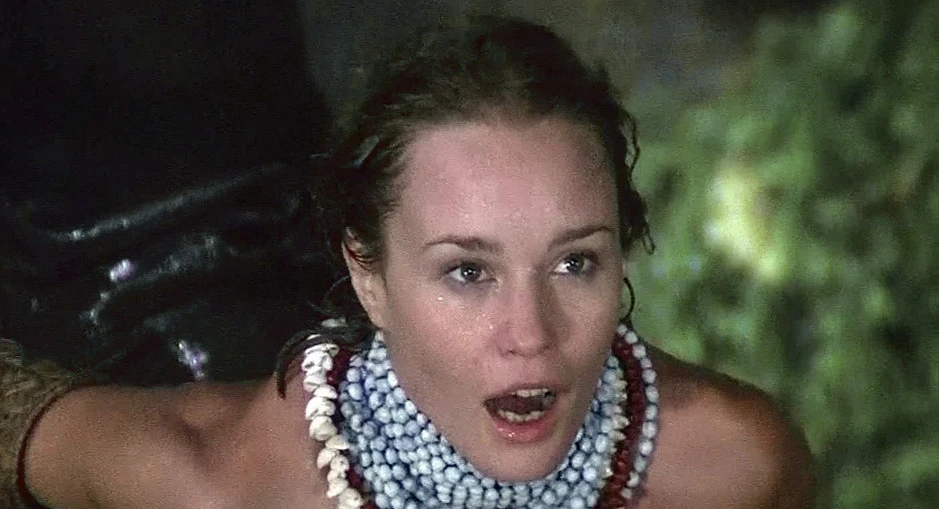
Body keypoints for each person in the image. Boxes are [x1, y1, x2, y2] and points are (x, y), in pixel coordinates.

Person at [2, 16, 813, 509]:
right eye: (468, 271)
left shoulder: (736, 466)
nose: (530, 334)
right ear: (368, 277)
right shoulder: (227, 478)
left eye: (574, 262)